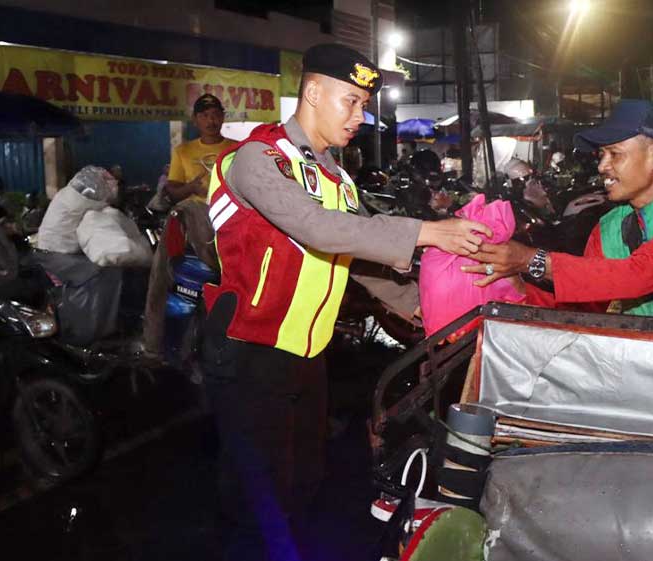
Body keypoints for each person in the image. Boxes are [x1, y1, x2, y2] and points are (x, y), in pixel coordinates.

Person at [200, 43, 490, 559]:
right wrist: (427, 232)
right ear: (313, 92)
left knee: (304, 481)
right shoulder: (260, 158)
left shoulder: (335, 176)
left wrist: (426, 308)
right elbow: (319, 228)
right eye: (351, 102)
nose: (360, 116)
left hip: (307, 354)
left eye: (364, 105)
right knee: (255, 496)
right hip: (250, 349)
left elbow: (356, 256)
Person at [463, 99, 653, 324]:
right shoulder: (609, 228)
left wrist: (531, 260)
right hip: (641, 364)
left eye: (615, 154)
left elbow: (639, 275)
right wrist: (517, 288)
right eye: (601, 154)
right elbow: (582, 310)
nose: (602, 166)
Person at [140, 94, 233, 360]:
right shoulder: (183, 151)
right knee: (163, 277)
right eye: (204, 116)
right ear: (195, 120)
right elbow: (172, 191)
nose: (211, 121)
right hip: (191, 228)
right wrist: (191, 187)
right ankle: (155, 344)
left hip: (228, 224)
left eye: (215, 114)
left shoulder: (237, 149)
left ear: (223, 117)